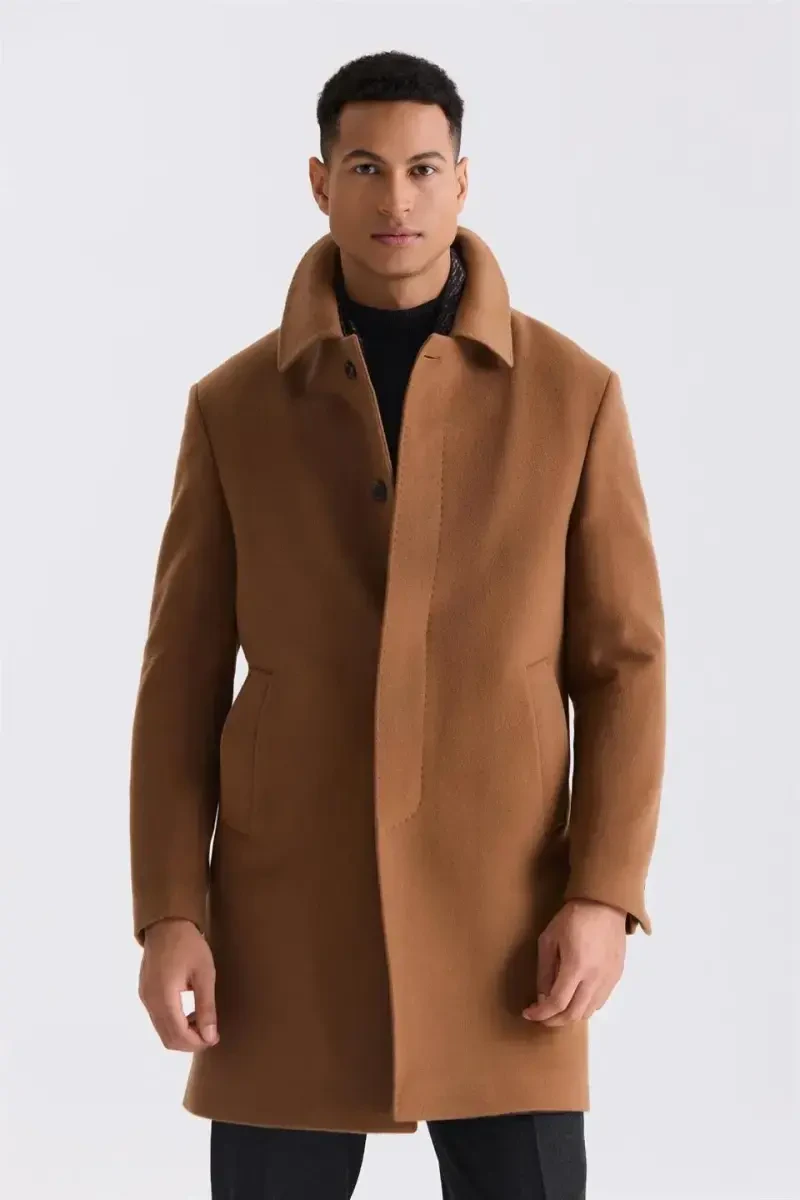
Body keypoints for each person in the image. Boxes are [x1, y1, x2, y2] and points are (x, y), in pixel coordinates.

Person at [130, 50, 666, 1200]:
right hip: (284, 919)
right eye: (366, 167)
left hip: (507, 924)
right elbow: (179, 681)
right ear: (319, 182)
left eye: (423, 168)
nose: (397, 198)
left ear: (461, 182)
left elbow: (622, 666)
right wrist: (170, 908)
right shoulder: (233, 409)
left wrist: (602, 893)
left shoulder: (572, 397)